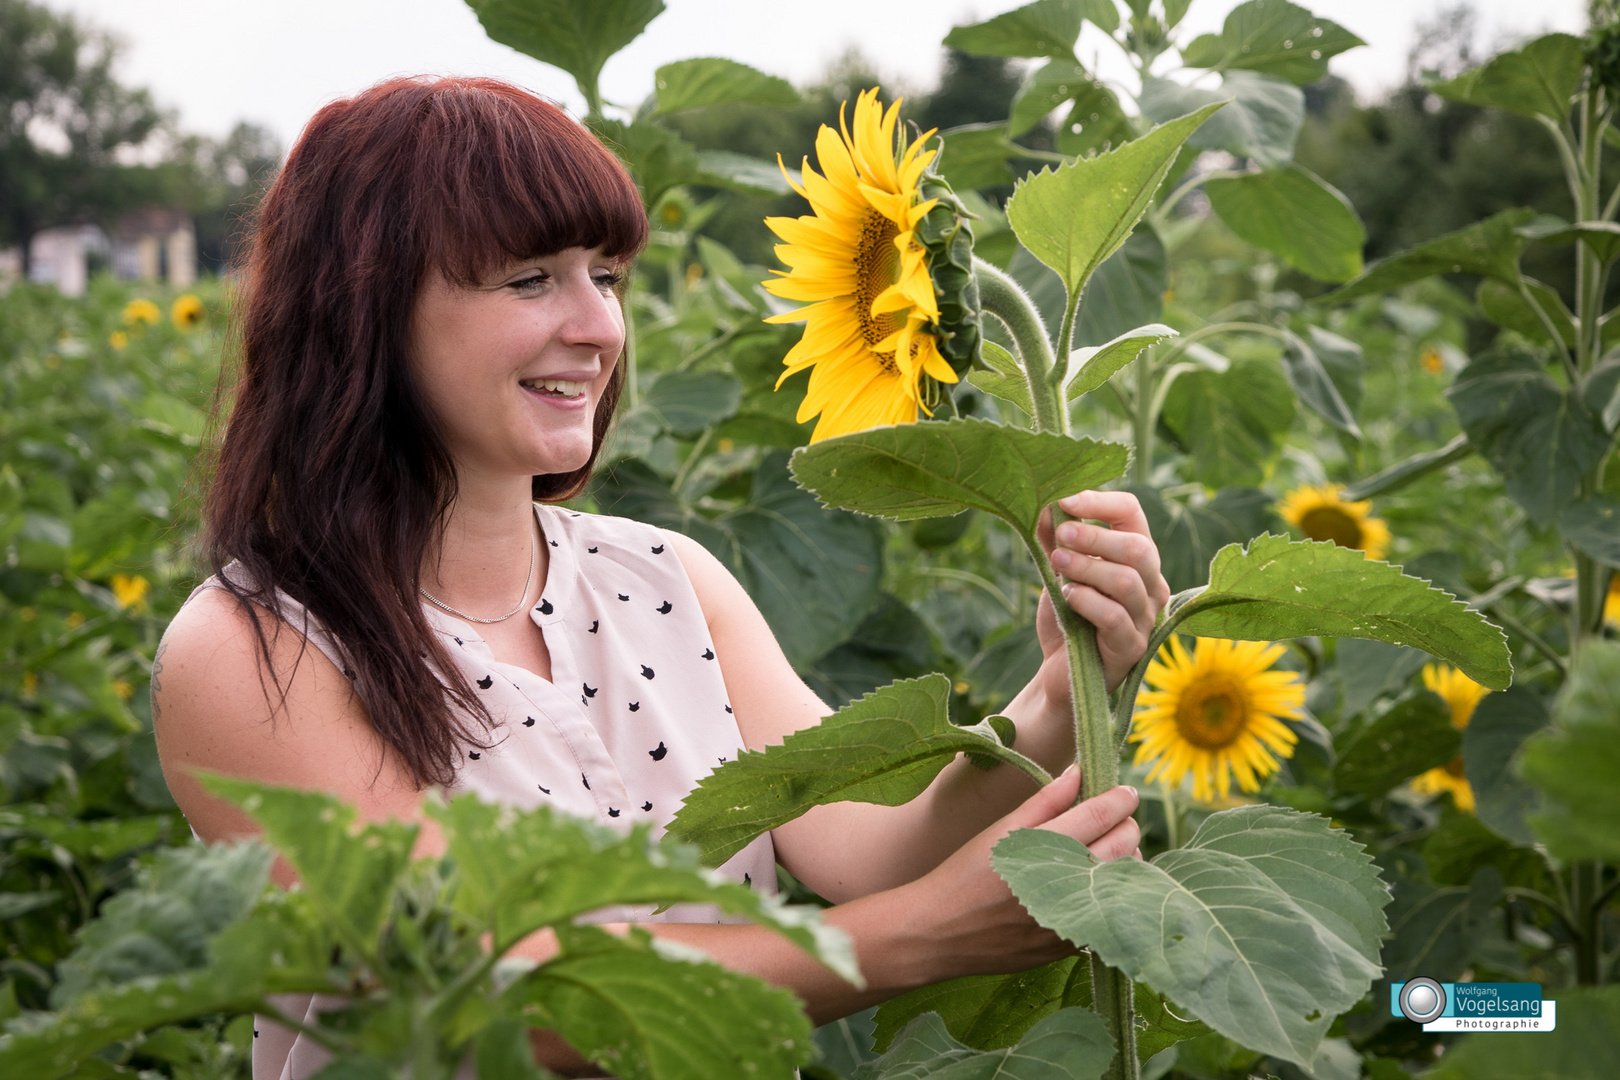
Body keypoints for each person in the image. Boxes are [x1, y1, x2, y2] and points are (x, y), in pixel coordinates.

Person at [152, 76, 1171, 1080]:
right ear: (367, 309)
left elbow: (870, 844)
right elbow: (492, 998)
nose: (599, 328)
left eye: (607, 275)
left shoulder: (663, 579)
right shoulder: (257, 649)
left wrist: (1056, 686)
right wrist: (907, 940)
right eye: (530, 279)